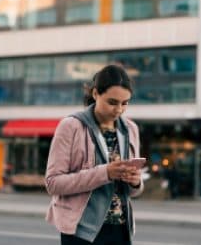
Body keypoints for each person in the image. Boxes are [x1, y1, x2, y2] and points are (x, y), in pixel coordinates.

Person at [45, 65, 144, 245]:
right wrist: (105, 173)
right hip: (81, 232)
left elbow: (133, 191)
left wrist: (135, 181)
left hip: (121, 230)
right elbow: (53, 183)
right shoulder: (71, 126)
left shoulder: (131, 129)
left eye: (125, 103)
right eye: (112, 102)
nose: (119, 110)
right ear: (96, 94)